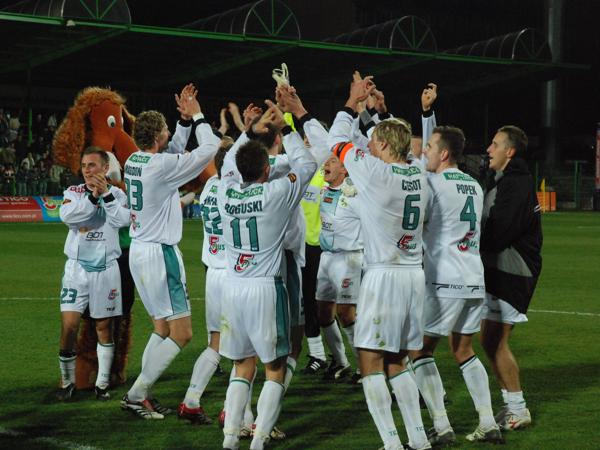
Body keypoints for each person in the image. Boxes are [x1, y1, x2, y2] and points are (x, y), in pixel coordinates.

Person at [327, 73, 430, 450]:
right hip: (413, 275)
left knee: (370, 360)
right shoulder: (417, 170)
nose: (367, 146)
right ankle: (418, 439)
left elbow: (336, 140)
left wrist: (352, 102)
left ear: (384, 145)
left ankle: (391, 443)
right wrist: (377, 113)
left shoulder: (375, 172)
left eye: (372, 141)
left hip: (383, 276)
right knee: (398, 359)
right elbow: (393, 141)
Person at [218, 101, 317, 450]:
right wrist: (285, 128)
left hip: (233, 287)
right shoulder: (276, 194)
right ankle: (259, 441)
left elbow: (227, 164)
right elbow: (307, 164)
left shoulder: (224, 192)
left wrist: (248, 131)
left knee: (242, 365)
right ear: (266, 169)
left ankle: (230, 439)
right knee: (275, 367)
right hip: (265, 288)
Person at [120, 85, 220, 419]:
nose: (168, 135)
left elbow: (172, 149)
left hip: (139, 251)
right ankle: (136, 394)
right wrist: (198, 115)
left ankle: (143, 393)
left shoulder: (134, 160)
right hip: (160, 255)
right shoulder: (161, 166)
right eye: (165, 130)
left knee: (162, 328)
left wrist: (183, 122)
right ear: (158, 136)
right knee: (183, 333)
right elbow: (209, 148)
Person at [410, 124, 503, 445]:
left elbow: (416, 222)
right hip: (473, 278)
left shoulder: (432, 184)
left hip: (444, 279)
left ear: (444, 153)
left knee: (419, 349)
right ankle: (488, 422)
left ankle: (441, 426)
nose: (425, 152)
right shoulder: (473, 184)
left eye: (430, 148)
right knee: (463, 349)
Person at [480, 125, 542, 430]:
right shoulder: (503, 179)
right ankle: (511, 405)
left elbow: (501, 231)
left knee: (496, 341)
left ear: (510, 151)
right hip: (500, 269)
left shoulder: (517, 183)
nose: (488, 149)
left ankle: (518, 408)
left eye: (495, 144)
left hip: (513, 271)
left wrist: (467, 246)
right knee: (489, 341)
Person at [56, 147, 130, 401]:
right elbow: (69, 217)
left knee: (104, 327)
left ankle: (102, 385)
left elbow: (121, 221)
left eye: (92, 165)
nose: (87, 170)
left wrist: (105, 194)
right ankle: (67, 382)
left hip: (106, 268)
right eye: (84, 165)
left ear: (105, 168)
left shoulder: (118, 194)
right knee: (69, 326)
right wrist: (92, 197)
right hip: (76, 269)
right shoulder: (73, 192)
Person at [178, 143, 232, 425]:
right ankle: (234, 411)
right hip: (234, 276)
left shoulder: (211, 186)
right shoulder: (237, 191)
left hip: (213, 274)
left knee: (216, 343)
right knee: (244, 350)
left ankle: (191, 400)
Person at [315, 154, 362, 382]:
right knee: (323, 312)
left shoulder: (355, 192)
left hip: (349, 258)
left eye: (333, 161)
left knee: (346, 313)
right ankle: (341, 361)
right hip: (327, 257)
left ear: (345, 169)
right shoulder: (324, 189)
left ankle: (364, 366)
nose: (327, 164)